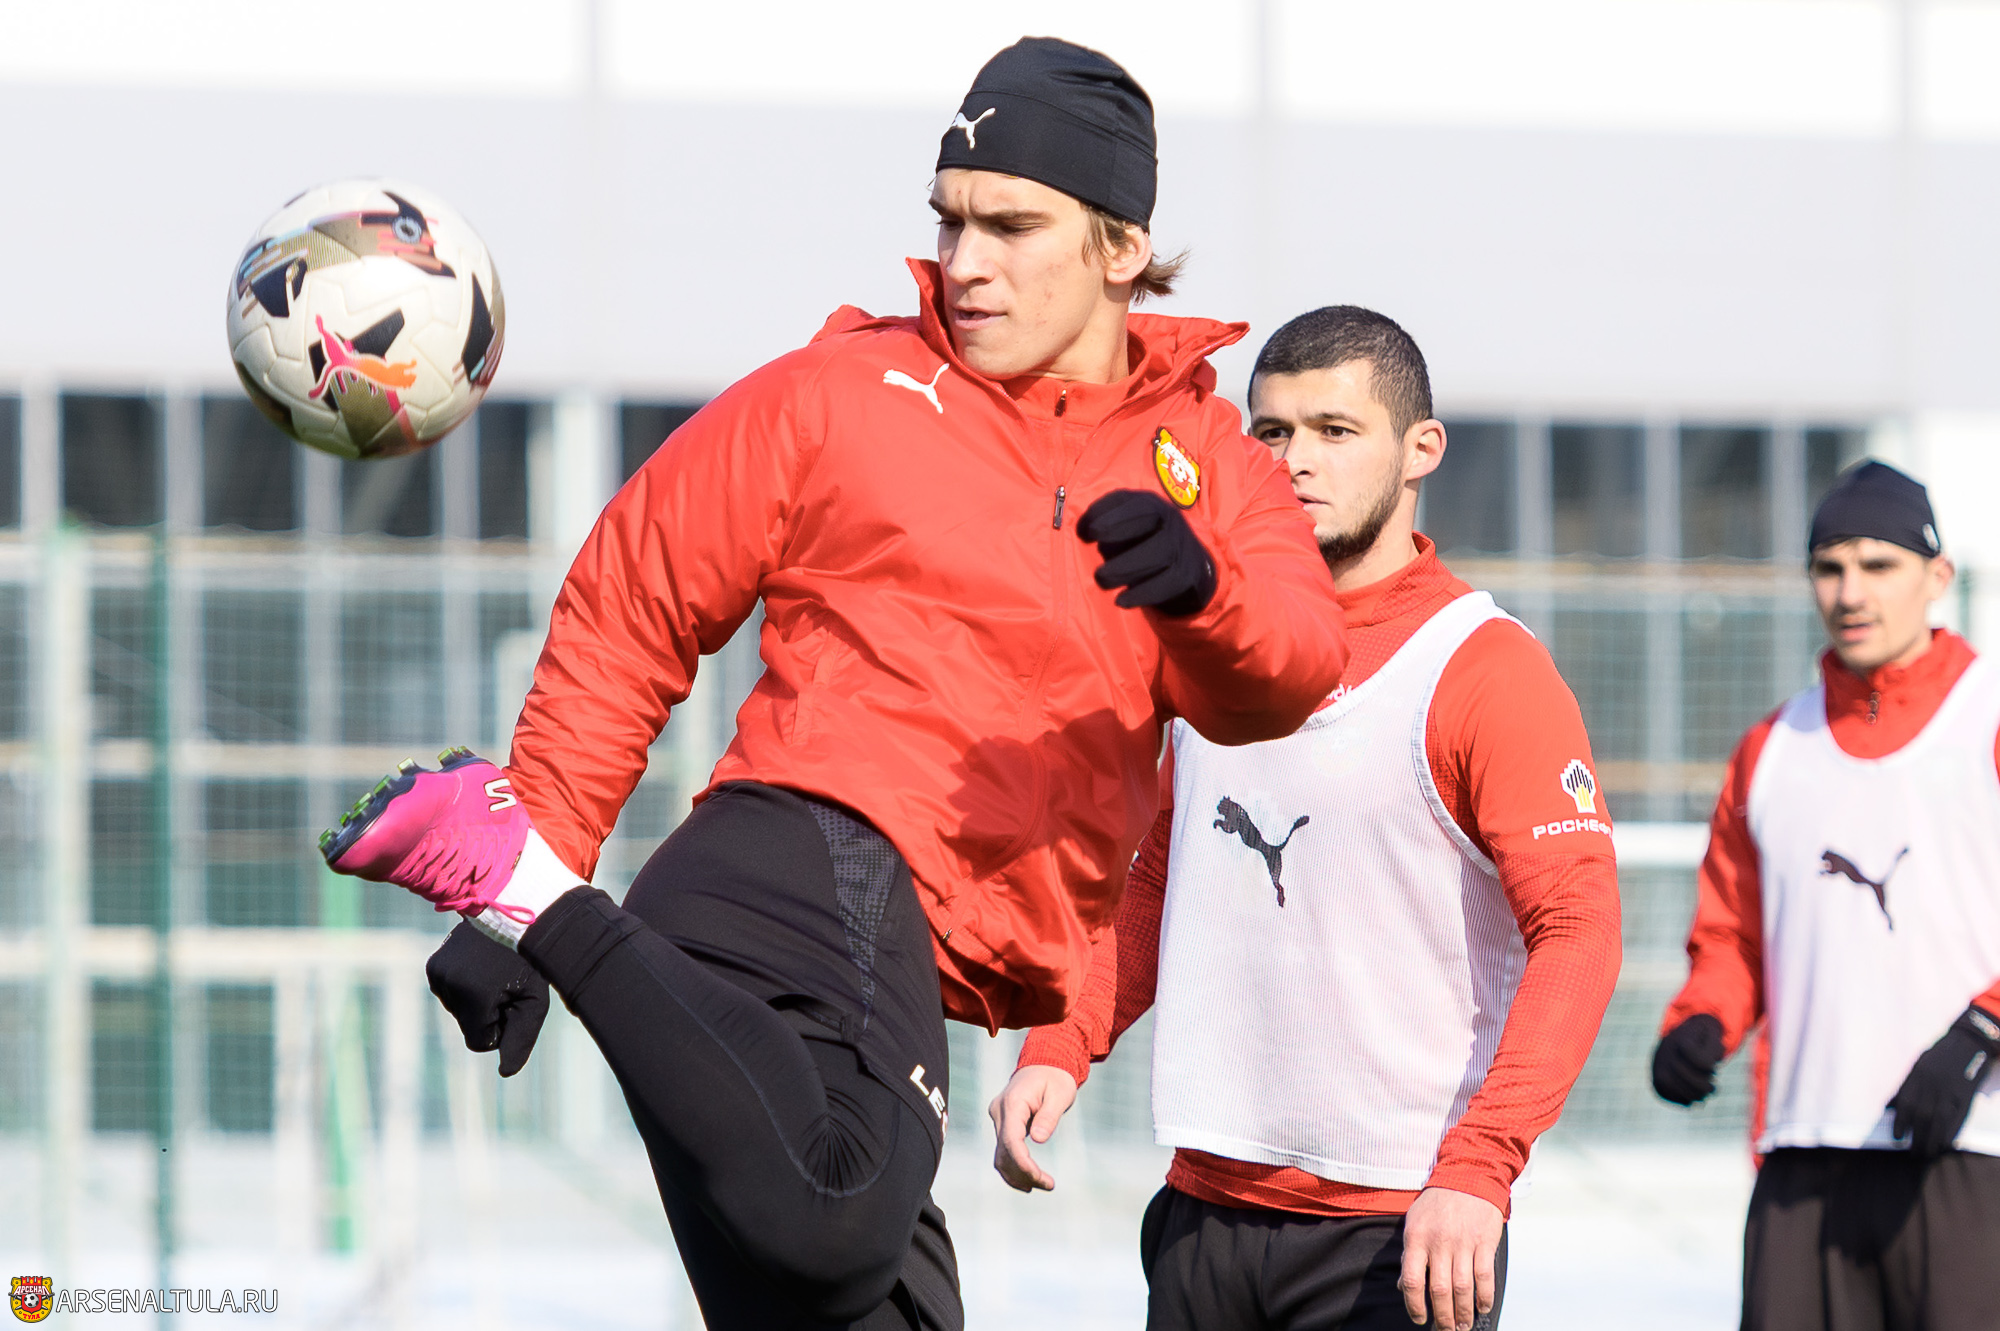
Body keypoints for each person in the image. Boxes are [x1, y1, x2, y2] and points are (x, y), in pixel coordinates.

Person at [317, 37, 1350, 1331]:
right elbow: (630, 607)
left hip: (868, 951)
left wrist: (1204, 597)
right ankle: (529, 889)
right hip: (806, 862)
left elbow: (1290, 674)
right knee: (833, 1214)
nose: (965, 261)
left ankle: (533, 896)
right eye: (949, 221)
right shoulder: (839, 392)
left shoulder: (1211, 459)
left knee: (851, 1291)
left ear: (1121, 246)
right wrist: (532, 872)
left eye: (1010, 226)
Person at [991, 307, 1622, 1331]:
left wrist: (1481, 1165)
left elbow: (1578, 929)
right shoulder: (1203, 648)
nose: (1296, 460)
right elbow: (1153, 881)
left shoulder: (1484, 668)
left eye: (1336, 430)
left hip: (1401, 1228)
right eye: (1273, 431)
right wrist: (1061, 1044)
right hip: (1202, 1214)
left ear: (1420, 449)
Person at [1652, 461, 2000, 1331]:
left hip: (1971, 1150)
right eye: (1830, 567)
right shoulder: (1772, 746)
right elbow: (1733, 933)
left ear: (1938, 576)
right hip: (1804, 1152)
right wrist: (1703, 1020)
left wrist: (1981, 1031)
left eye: (1879, 565)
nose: (1851, 592)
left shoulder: (1987, 717)